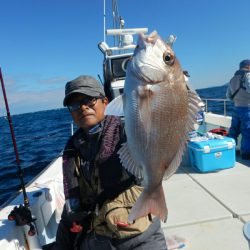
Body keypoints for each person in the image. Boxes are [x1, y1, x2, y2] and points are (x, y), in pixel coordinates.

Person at [54, 75, 167, 250]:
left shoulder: (127, 129)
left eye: (89, 100)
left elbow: (155, 122)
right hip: (98, 238)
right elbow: (71, 206)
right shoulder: (72, 149)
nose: (82, 107)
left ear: (105, 102)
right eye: (74, 105)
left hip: (139, 236)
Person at [226, 59, 250, 160]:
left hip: (236, 108)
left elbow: (228, 96)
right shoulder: (248, 76)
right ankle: (246, 154)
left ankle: (230, 151)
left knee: (233, 131)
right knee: (247, 132)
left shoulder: (232, 79)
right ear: (248, 66)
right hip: (247, 109)